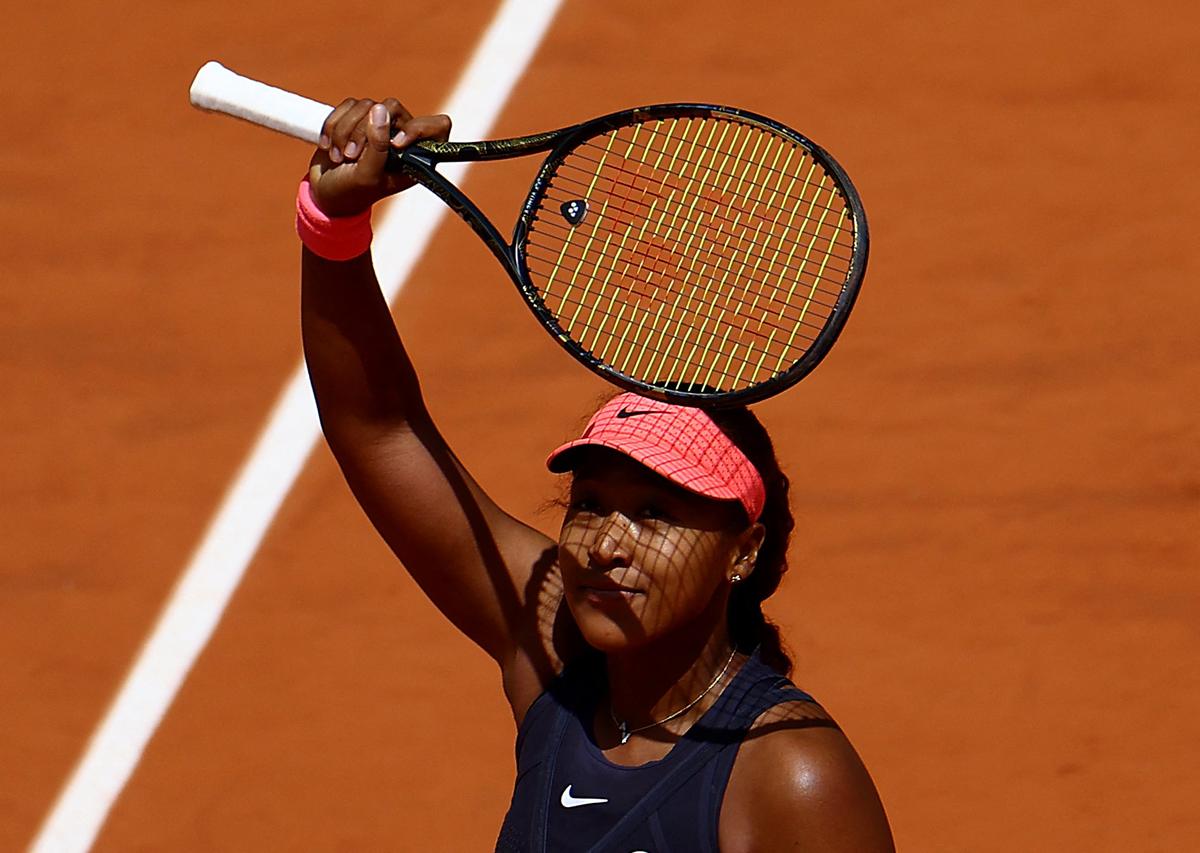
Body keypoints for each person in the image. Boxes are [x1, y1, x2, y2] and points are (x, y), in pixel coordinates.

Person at [298, 96, 895, 852]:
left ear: (742, 550)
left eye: (653, 513)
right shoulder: (553, 656)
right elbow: (378, 428)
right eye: (590, 503)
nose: (606, 543)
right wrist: (331, 223)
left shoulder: (790, 776)